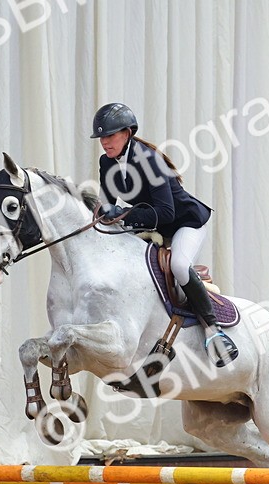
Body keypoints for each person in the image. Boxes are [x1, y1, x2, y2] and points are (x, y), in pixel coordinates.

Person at [91, 102, 239, 367]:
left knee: (179, 265)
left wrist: (124, 214)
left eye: (110, 136)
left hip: (184, 223)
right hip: (151, 227)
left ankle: (213, 331)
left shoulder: (150, 162)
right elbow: (106, 202)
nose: (104, 142)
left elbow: (167, 212)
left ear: (127, 133)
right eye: (102, 137)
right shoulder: (106, 162)